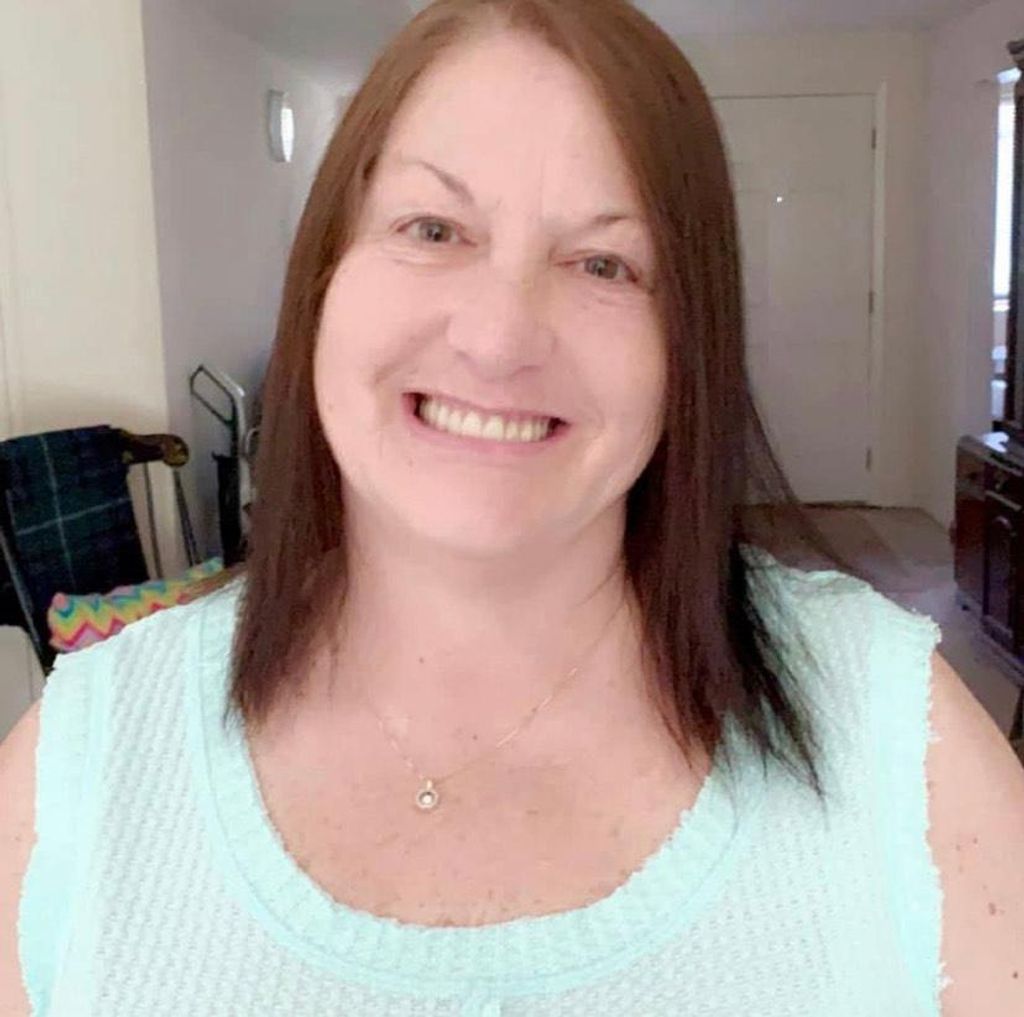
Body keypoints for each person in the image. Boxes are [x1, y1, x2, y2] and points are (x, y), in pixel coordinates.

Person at [2, 1, 1023, 1014]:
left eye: (603, 263)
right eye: (433, 228)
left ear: (688, 342)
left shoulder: (897, 738)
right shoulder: (88, 757)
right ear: (322, 278)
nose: (497, 339)